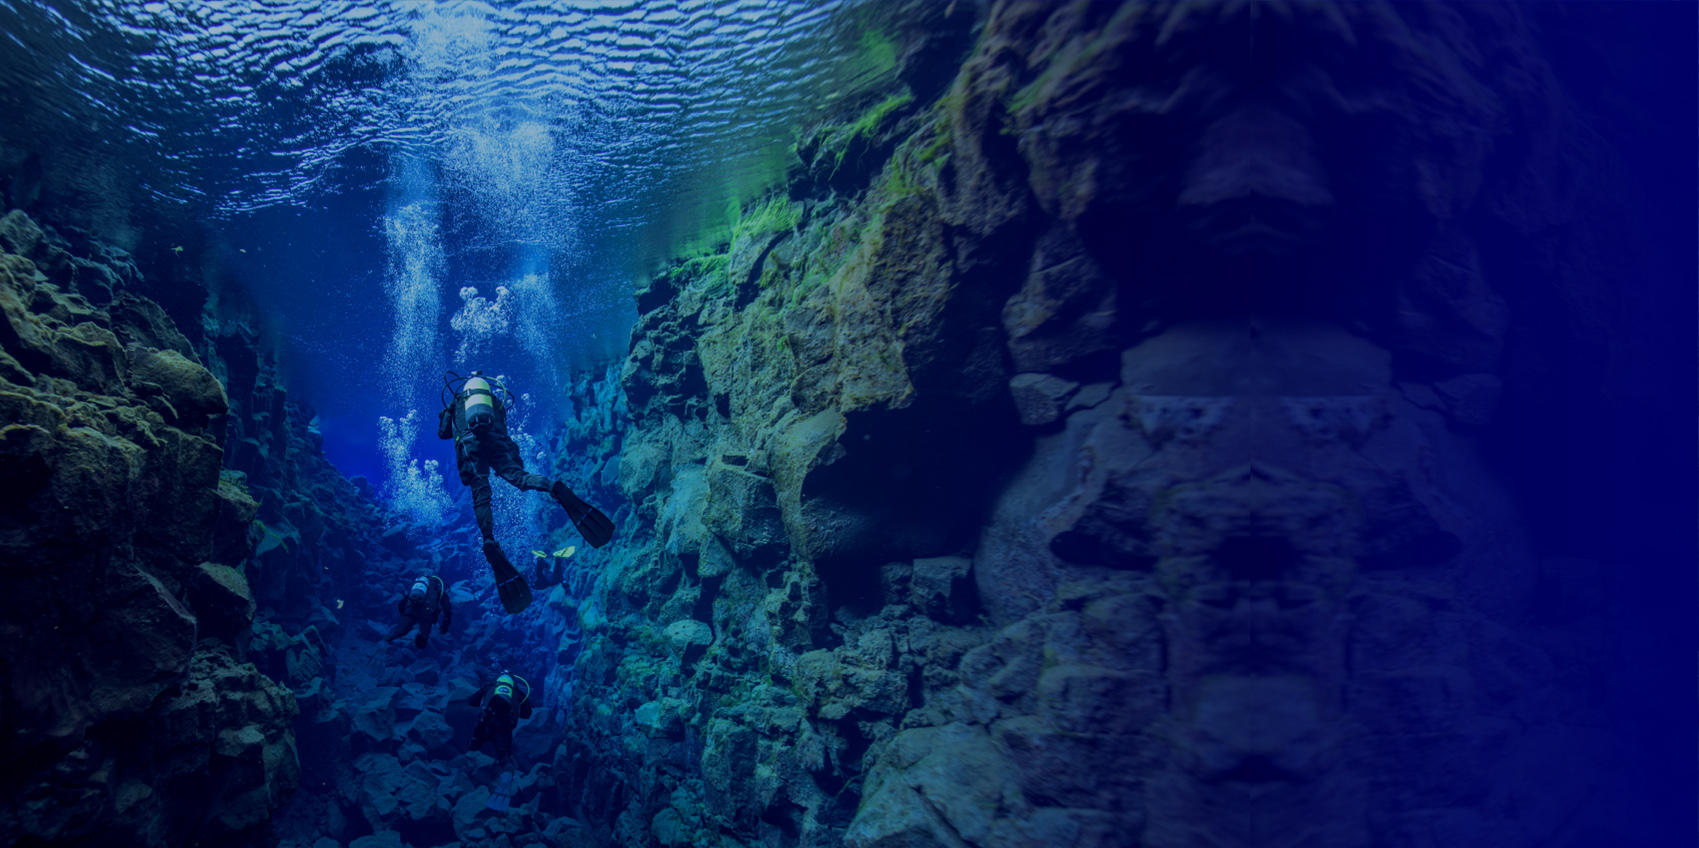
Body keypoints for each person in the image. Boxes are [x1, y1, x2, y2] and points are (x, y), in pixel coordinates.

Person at [437, 371, 615, 614]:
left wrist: (449, 410)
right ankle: (554, 487)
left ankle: (488, 538)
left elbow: (444, 433)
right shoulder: (494, 401)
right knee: (520, 478)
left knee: (481, 491)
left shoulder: (458, 402)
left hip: (470, 443)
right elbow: (503, 427)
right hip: (498, 441)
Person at [467, 671, 533, 765]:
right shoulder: (517, 692)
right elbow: (527, 714)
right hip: (504, 728)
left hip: (485, 725)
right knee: (504, 757)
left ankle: (465, 767)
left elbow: (472, 702)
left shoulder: (490, 686)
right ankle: (507, 771)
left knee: (472, 748)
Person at [386, 575, 452, 648]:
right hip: (426, 614)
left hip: (410, 610)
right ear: (437, 584)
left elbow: (401, 605)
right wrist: (445, 625)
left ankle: (387, 639)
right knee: (423, 638)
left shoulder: (417, 589)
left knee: (401, 629)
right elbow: (448, 610)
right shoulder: (439, 591)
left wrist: (404, 615)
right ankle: (420, 636)